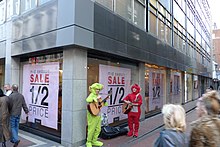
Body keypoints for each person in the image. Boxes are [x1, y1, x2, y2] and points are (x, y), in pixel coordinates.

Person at [86, 83, 109, 147]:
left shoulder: (98, 96)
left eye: (98, 90)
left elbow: (102, 105)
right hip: (92, 115)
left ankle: (94, 141)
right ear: (93, 89)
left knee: (98, 129)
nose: (97, 91)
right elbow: (87, 100)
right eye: (96, 89)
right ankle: (89, 141)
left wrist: (104, 101)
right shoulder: (92, 95)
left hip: (98, 114)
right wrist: (95, 99)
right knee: (91, 129)